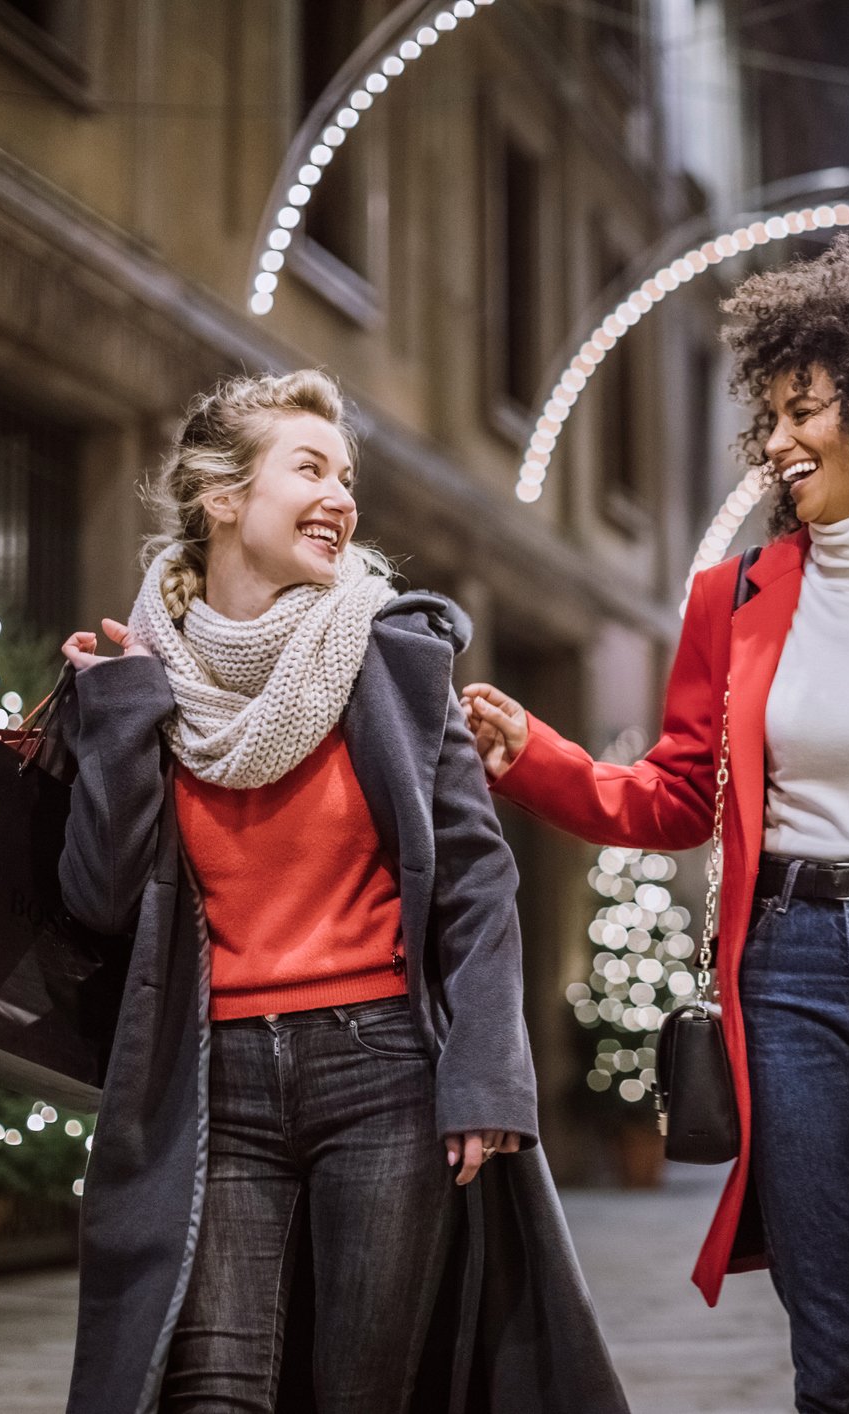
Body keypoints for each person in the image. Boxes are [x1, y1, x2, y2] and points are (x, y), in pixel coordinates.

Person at [462, 233, 849, 1413]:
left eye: (806, 410)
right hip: (787, 976)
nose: (778, 441)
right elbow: (673, 794)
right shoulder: (736, 597)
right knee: (839, 1342)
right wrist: (535, 759)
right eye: (772, 415)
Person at [53, 369, 625, 1414]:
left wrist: (489, 1074)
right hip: (213, 1077)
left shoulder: (390, 653)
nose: (341, 496)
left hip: (383, 1074)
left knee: (362, 1391)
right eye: (308, 468)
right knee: (212, 1392)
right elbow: (97, 891)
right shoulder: (147, 672)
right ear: (223, 498)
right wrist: (118, 715)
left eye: (347, 476)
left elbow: (476, 879)